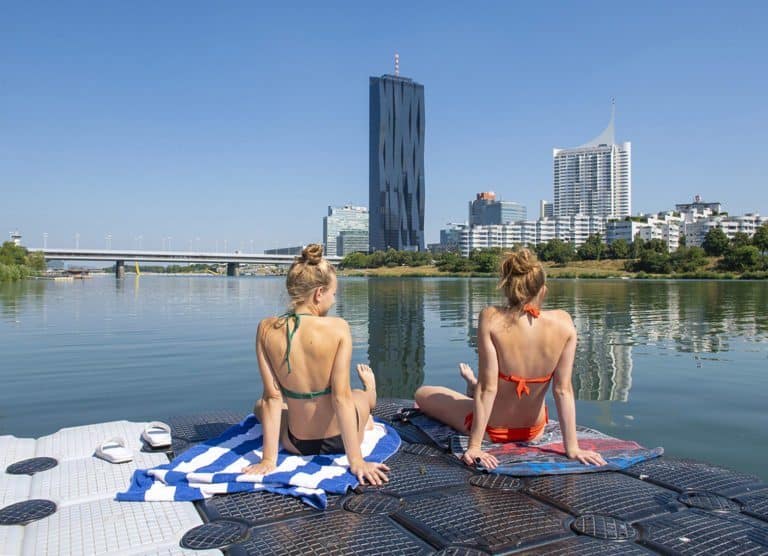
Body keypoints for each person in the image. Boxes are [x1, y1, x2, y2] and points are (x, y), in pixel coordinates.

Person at [414, 248, 607, 470]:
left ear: (508, 289)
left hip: (493, 431)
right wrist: (572, 448)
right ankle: (471, 387)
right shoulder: (564, 322)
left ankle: (470, 387)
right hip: (535, 429)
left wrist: (474, 446)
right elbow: (563, 390)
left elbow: (489, 388)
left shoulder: (491, 318)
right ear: (543, 290)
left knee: (424, 393)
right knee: (480, 393)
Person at [242, 244, 389, 486]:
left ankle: (364, 401)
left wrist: (269, 459)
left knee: (261, 405)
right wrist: (356, 460)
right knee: (358, 396)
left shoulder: (266, 328)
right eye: (333, 294)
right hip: (340, 439)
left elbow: (272, 398)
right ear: (319, 293)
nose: (333, 300)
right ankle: (371, 392)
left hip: (296, 443)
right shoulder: (338, 327)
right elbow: (340, 398)